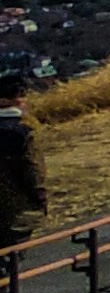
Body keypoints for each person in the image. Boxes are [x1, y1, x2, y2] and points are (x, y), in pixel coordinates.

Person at [0, 80, 44, 247]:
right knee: (11, 263)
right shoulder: (23, 132)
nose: (26, 101)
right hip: (15, 211)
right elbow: (33, 170)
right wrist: (41, 200)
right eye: (22, 97)